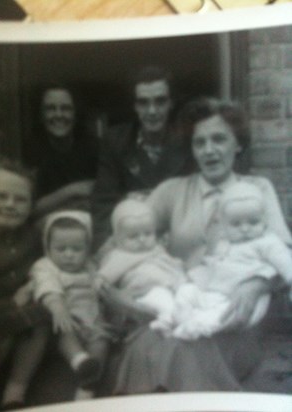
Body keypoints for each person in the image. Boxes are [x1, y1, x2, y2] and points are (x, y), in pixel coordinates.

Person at [100, 97, 292, 394]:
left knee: (186, 348)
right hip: (178, 309)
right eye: (199, 142)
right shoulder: (171, 191)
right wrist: (119, 294)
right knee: (152, 345)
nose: (209, 150)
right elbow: (120, 240)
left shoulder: (257, 189)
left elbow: (283, 256)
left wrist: (256, 284)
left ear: (237, 144)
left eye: (219, 139)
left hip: (231, 319)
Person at [151, 181, 292, 341]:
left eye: (253, 222)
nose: (245, 229)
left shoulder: (268, 243)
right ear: (224, 226)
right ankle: (172, 319)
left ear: (264, 221)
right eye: (236, 224)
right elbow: (213, 265)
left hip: (240, 300)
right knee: (186, 292)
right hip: (215, 293)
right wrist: (192, 278)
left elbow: (287, 264)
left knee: (221, 315)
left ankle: (194, 329)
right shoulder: (225, 243)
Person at [91, 66, 193, 250]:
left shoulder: (188, 141)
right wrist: (105, 247)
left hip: (177, 240)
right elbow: (103, 203)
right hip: (131, 243)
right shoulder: (116, 142)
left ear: (171, 103)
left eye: (160, 101)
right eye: (144, 103)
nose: (152, 111)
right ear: (135, 106)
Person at [0, 159, 50, 409]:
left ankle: (13, 396)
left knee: (40, 315)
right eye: (0, 196)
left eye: (20, 200)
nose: (10, 205)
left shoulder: (32, 237)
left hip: (17, 325)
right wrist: (10, 304)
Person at [28, 211, 109, 395]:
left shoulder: (91, 266)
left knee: (101, 342)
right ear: (48, 247)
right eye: (61, 248)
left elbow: (102, 284)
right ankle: (79, 359)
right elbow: (47, 286)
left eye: (77, 249)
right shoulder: (45, 266)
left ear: (87, 249)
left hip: (92, 319)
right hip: (64, 317)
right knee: (65, 332)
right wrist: (57, 306)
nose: (69, 255)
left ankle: (87, 384)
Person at [98, 199, 185, 322]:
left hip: (169, 286)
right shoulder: (119, 256)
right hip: (143, 293)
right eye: (133, 236)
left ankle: (185, 314)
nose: (142, 239)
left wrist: (180, 277)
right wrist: (101, 283)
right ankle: (170, 320)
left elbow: (171, 264)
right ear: (118, 238)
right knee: (163, 301)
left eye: (148, 233)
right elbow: (103, 279)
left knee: (187, 293)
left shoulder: (157, 249)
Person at [27, 85, 98, 219]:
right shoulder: (31, 150)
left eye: (66, 108)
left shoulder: (95, 147)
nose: (58, 115)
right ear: (41, 115)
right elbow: (29, 208)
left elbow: (104, 196)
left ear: (76, 113)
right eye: (50, 109)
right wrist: (71, 191)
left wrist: (53, 202)